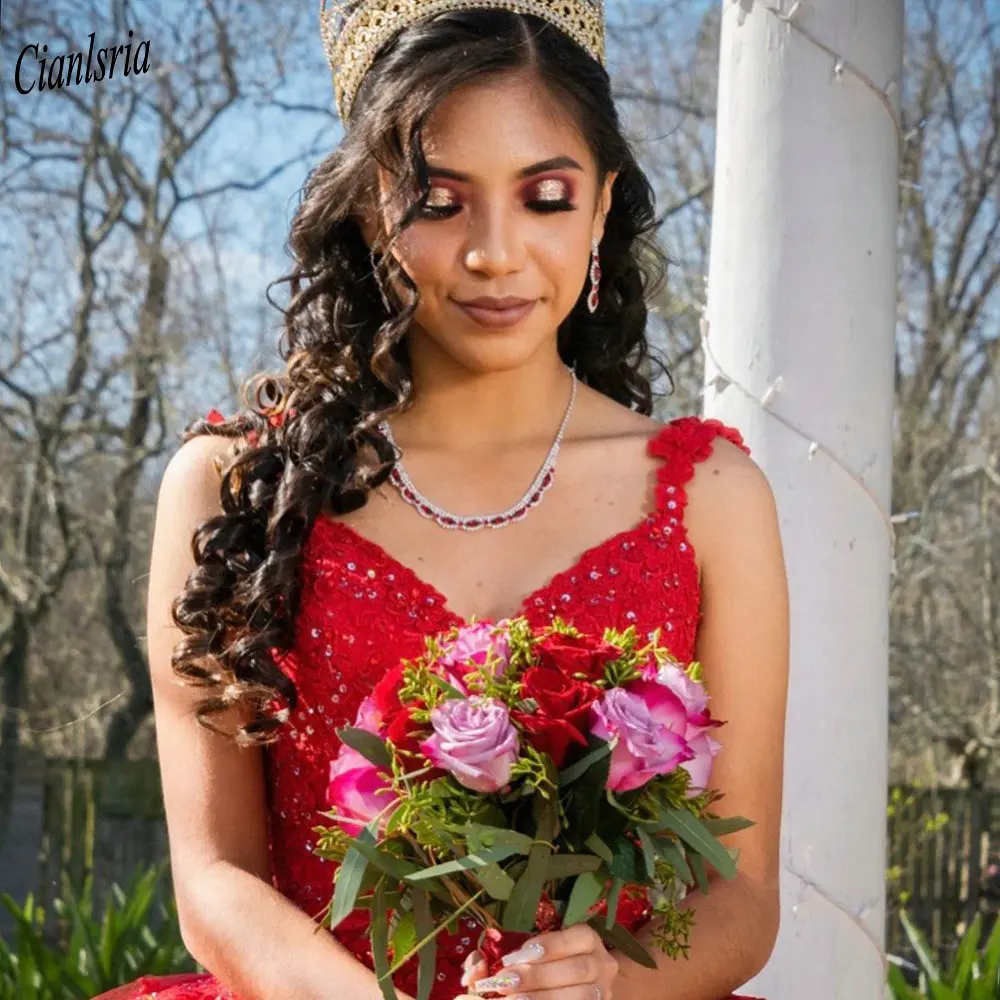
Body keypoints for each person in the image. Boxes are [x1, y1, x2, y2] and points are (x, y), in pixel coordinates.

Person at [94, 2, 790, 999]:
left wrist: (609, 985)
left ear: (601, 207)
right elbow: (216, 879)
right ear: (370, 207)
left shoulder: (713, 497)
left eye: (544, 197)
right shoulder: (230, 482)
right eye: (438, 199)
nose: (494, 253)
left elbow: (742, 895)